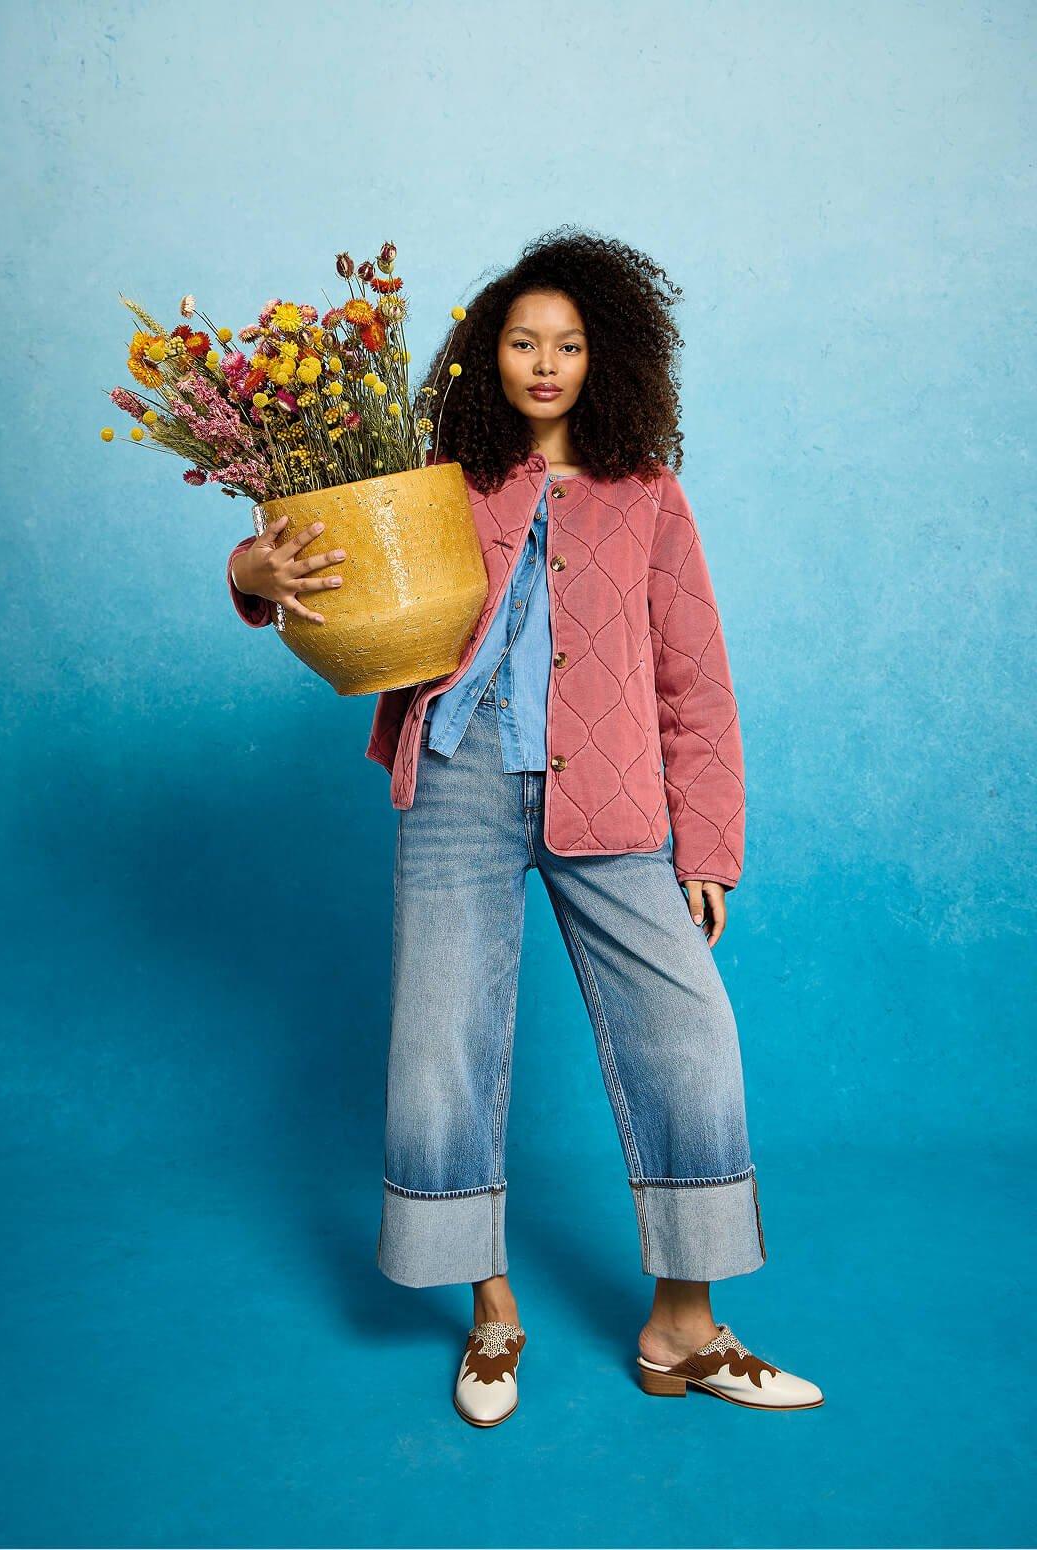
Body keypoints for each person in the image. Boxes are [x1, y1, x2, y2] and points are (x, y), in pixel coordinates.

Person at [225, 228, 821, 1427]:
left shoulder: (649, 494)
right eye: (521, 341)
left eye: (569, 343)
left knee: (690, 1031)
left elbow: (695, 682)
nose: (544, 363)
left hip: (615, 804)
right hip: (457, 782)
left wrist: (706, 850)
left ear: (606, 357)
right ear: (487, 353)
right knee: (445, 1042)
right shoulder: (440, 470)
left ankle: (685, 1328)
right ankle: (492, 1313)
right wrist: (253, 567)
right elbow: (312, 566)